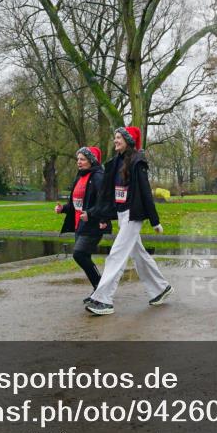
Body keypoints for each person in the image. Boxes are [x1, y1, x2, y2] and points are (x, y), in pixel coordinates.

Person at [85, 126, 172, 316]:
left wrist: (155, 221)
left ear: (128, 140)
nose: (115, 140)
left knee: (116, 255)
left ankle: (103, 299)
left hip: (134, 215)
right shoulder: (116, 162)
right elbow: (109, 193)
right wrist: (102, 215)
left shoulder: (137, 162)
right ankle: (161, 288)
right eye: (115, 137)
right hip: (123, 214)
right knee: (139, 255)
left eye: (119, 137)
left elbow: (145, 192)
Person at [55, 146, 111, 302]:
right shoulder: (80, 177)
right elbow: (76, 204)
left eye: (82, 159)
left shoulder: (98, 176)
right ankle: (98, 290)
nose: (79, 162)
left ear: (91, 161)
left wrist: (99, 217)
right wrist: (63, 209)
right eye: (78, 159)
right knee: (83, 256)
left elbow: (105, 201)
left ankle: (100, 288)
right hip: (79, 224)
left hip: (93, 224)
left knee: (79, 254)